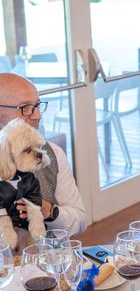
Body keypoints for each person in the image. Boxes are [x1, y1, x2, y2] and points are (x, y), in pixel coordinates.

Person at [0, 73, 86, 242]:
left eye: (37, 105)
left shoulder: (51, 153)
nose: (37, 115)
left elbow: (80, 222)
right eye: (25, 107)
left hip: (46, 260)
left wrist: (49, 210)